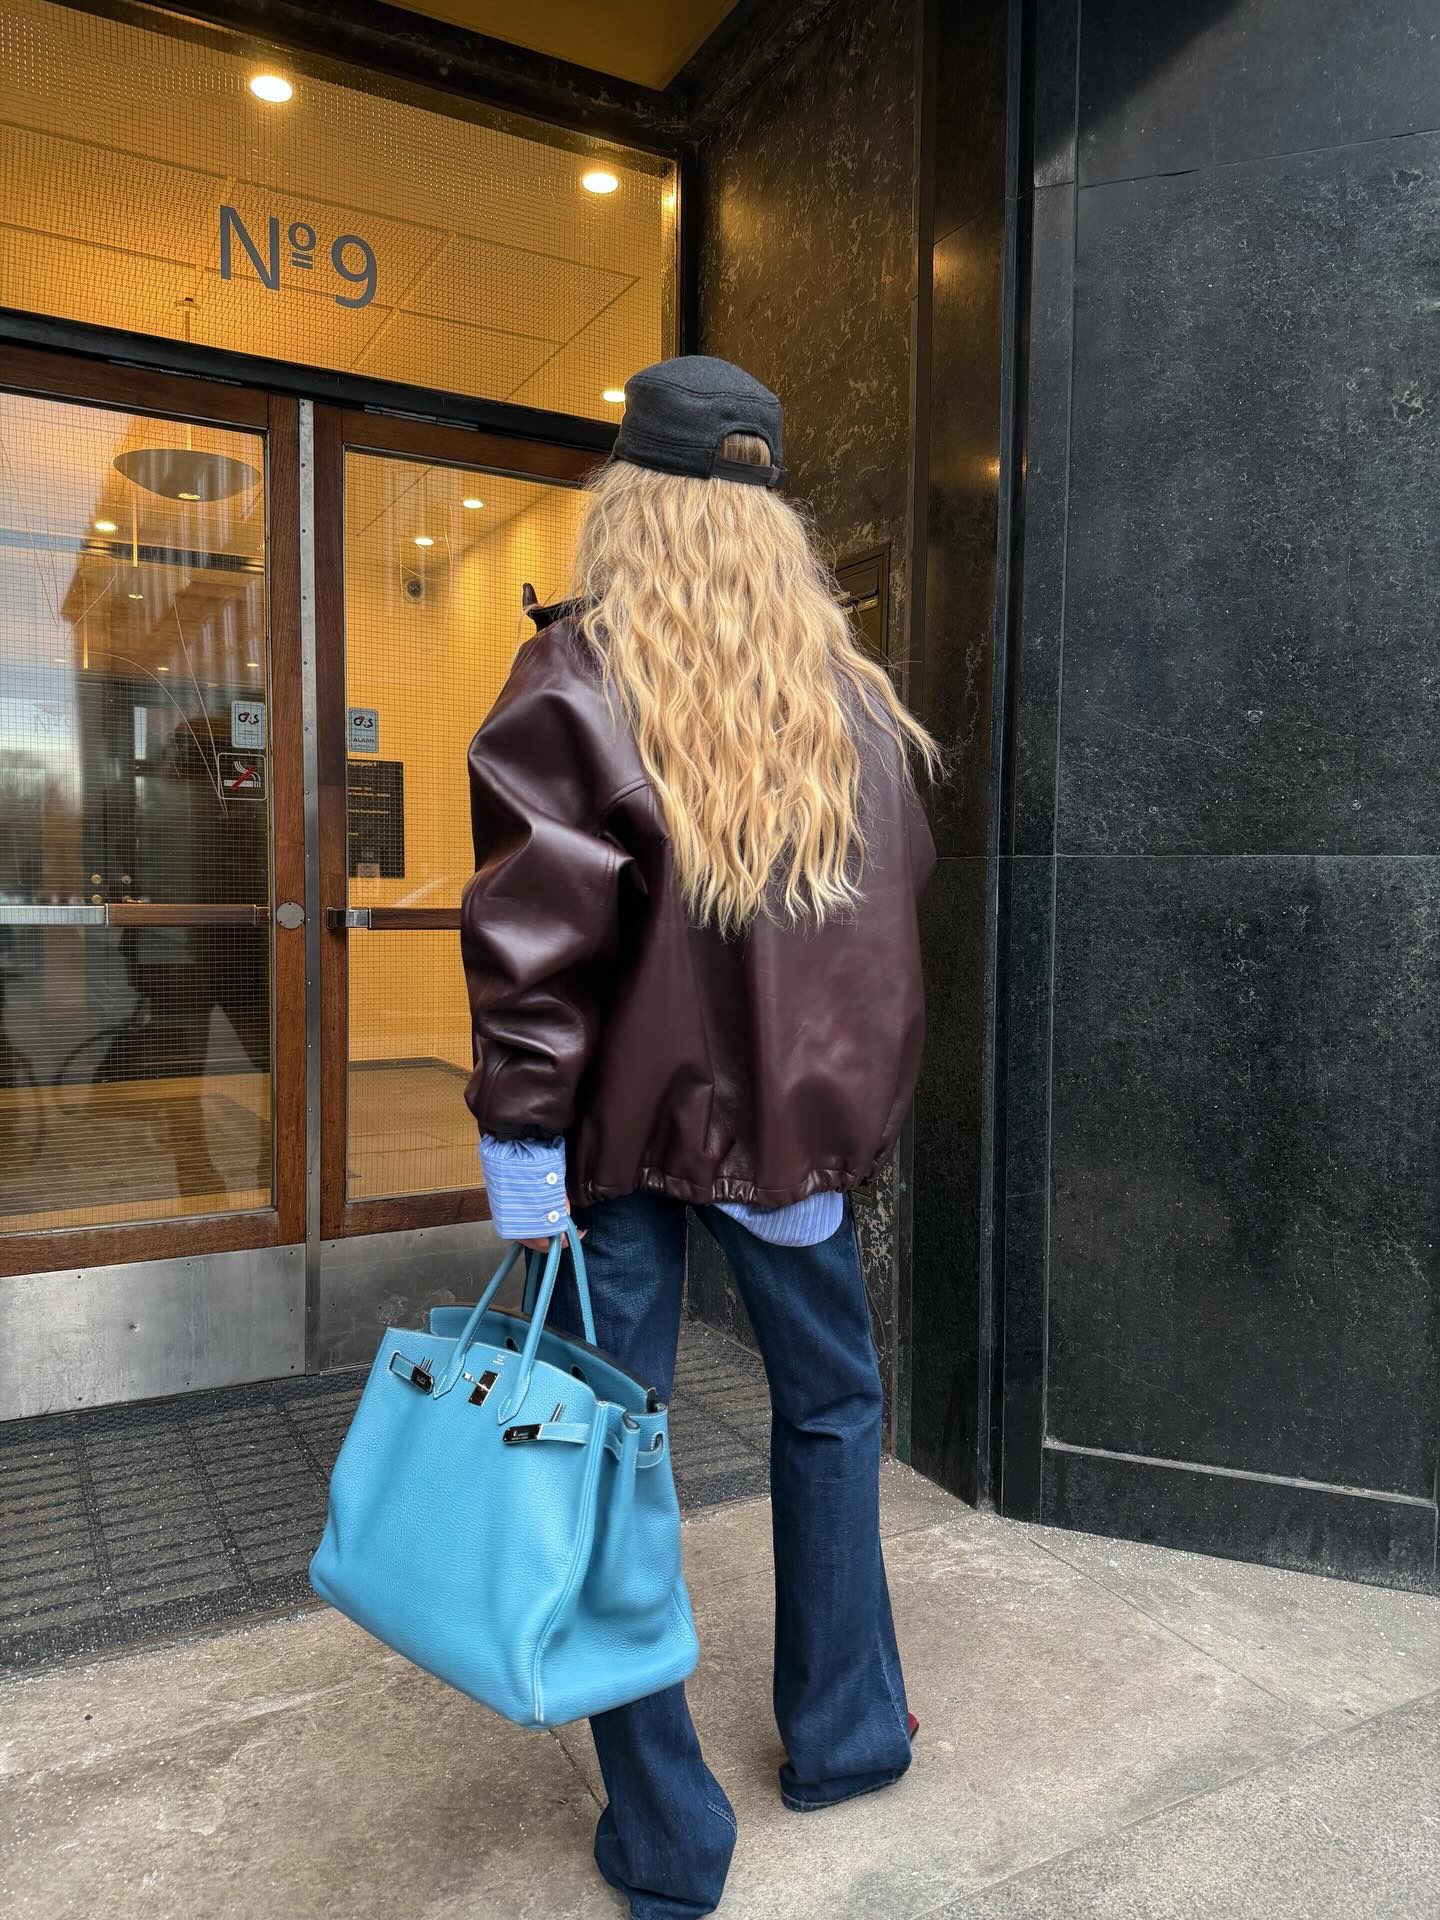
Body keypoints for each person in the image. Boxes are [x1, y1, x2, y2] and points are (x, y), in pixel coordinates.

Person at [460, 354, 938, 1919]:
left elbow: (538, 943)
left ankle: (667, 1842)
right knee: (832, 1409)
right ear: (770, 514)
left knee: (609, 1450)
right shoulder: (853, 701)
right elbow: (886, 938)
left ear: (633, 497)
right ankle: (850, 1735)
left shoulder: (577, 678)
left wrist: (521, 1144)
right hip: (789, 1145)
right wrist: (833, 1127)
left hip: (611, 1148)